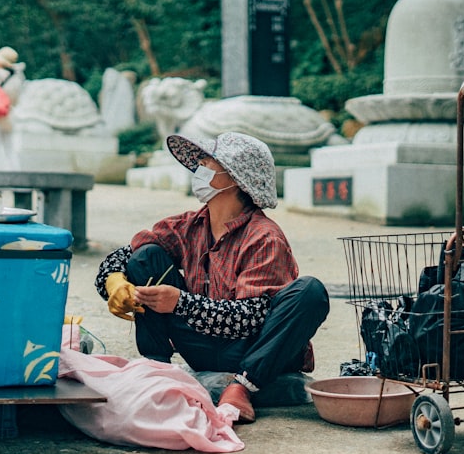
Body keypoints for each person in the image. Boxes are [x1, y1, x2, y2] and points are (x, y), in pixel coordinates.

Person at [94, 132, 330, 424]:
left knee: (310, 291)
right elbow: (127, 254)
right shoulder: (190, 225)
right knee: (146, 256)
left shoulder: (263, 237)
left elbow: (250, 319)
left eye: (210, 160)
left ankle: (242, 387)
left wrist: (181, 303)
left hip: (254, 351)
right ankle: (156, 368)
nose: (200, 165)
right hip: (202, 345)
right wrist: (115, 280)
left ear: (234, 178)